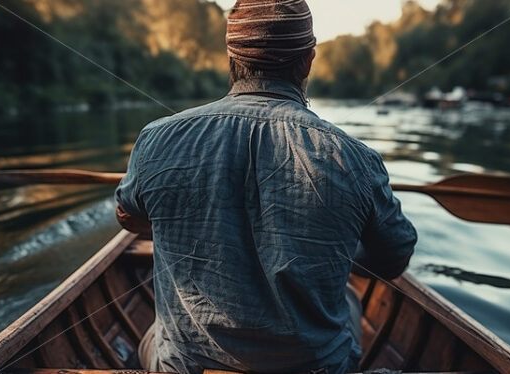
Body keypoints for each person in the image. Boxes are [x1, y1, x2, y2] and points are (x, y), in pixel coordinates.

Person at [115, 1, 417, 373]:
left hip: (186, 367)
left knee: (154, 335)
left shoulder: (156, 138)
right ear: (308, 60)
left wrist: (173, 224)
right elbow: (394, 258)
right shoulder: (356, 159)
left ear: (231, 58)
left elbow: (128, 215)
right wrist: (334, 251)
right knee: (350, 298)